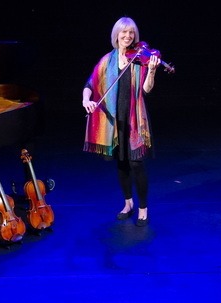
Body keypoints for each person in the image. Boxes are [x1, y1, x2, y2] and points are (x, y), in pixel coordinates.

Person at [82, 17, 161, 227]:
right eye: (124, 33)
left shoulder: (139, 59)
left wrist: (152, 70)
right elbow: (90, 83)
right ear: (116, 35)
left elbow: (146, 90)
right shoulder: (107, 60)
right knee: (122, 163)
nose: (128, 36)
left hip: (135, 118)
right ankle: (128, 204)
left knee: (136, 163)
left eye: (131, 33)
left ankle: (143, 209)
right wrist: (86, 99)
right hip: (114, 121)